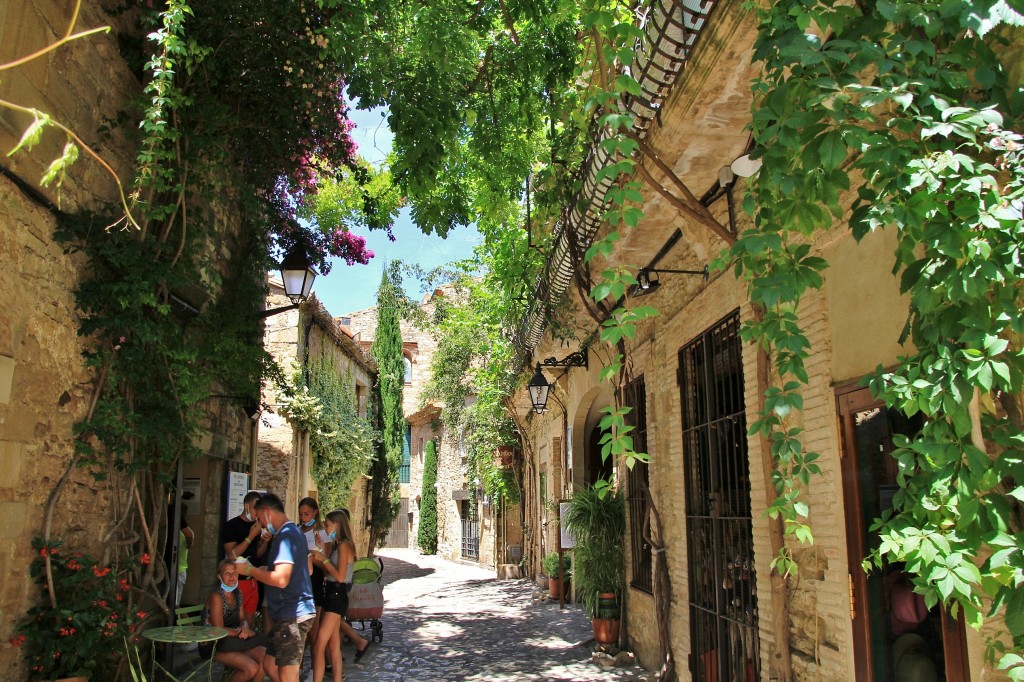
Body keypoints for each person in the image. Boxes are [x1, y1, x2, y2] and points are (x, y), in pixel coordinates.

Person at [238, 493, 316, 682]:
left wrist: (249, 569)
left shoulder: (287, 535)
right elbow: (294, 569)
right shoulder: (291, 532)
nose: (261, 524)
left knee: (287, 675)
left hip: (292, 614)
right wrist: (263, 569)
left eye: (260, 519)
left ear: (267, 512)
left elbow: (281, 579)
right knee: (270, 664)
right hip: (286, 614)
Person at [309, 509, 371, 682]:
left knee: (319, 645)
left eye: (328, 525)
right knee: (333, 644)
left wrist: (323, 558)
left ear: (336, 525)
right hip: (329, 592)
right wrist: (317, 554)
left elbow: (340, 576)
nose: (326, 529)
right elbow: (326, 569)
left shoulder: (345, 546)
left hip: (337, 595)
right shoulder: (336, 545)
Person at [202, 560, 276, 682]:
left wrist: (245, 627)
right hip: (214, 643)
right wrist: (241, 633)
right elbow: (218, 629)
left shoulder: (237, 593)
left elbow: (243, 619)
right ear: (219, 576)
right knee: (251, 668)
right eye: (227, 573)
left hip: (234, 640)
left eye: (234, 573)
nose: (232, 577)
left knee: (265, 658)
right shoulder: (216, 596)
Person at [224, 491, 270, 620]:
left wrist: (264, 543)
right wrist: (251, 536)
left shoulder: (257, 525)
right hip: (237, 581)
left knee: (249, 622)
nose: (258, 512)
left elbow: (257, 554)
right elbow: (232, 555)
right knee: (236, 620)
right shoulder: (231, 526)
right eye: (256, 508)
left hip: (253, 580)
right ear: (247, 507)